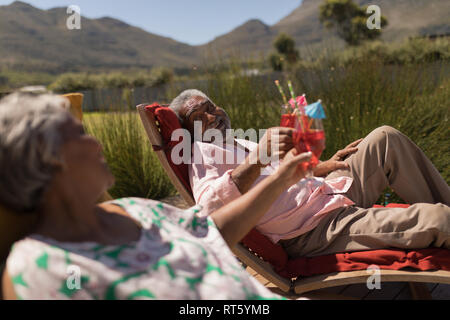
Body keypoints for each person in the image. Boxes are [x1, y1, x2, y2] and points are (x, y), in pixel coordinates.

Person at [0, 92, 313, 300]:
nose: (96, 143)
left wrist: (282, 177)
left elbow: (209, 230)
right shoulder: (44, 266)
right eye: (78, 135)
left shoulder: (131, 208)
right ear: (43, 161)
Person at [169, 89, 450, 259]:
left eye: (211, 107)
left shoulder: (242, 142)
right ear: (188, 131)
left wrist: (322, 165)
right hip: (314, 228)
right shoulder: (201, 155)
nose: (211, 116)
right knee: (439, 220)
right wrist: (258, 158)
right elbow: (208, 210)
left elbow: (284, 172)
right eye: (198, 116)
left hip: (328, 192)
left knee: (384, 138)